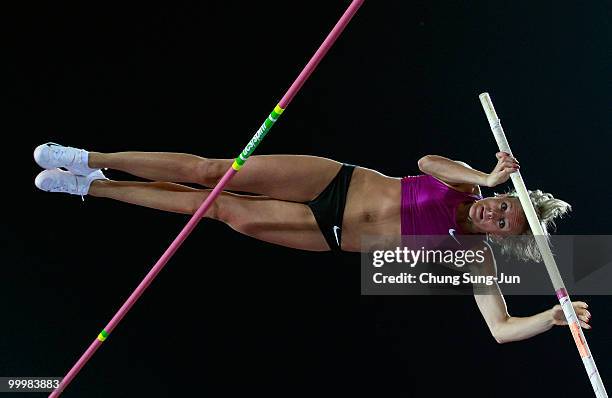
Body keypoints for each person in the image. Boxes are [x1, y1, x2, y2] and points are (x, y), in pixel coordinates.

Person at [33, 142, 591, 342]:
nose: (494, 213)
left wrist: (550, 318)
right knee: (210, 170)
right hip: (335, 181)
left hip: (326, 233)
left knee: (216, 210)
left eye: (503, 223)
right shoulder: (463, 181)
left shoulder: (473, 257)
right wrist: (486, 178)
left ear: (503, 239)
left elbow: (500, 329)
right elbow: (425, 161)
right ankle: (89, 157)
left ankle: (93, 190)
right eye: (505, 204)